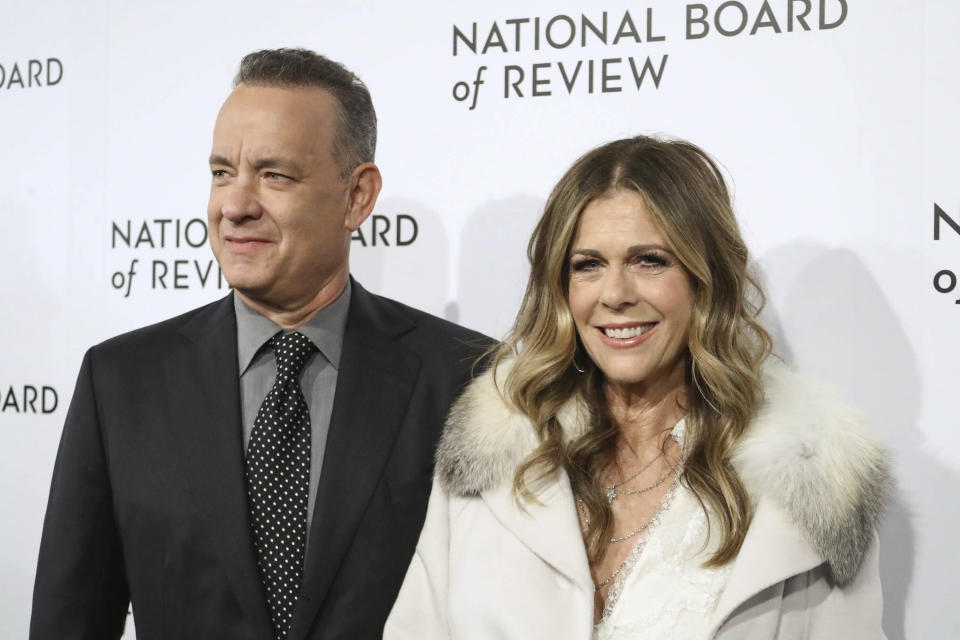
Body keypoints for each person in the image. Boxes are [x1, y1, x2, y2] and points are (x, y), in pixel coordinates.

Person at [30, 48, 486, 640]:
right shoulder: (120, 382)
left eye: (274, 175)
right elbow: (69, 620)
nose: (236, 206)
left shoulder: (468, 379)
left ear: (358, 197)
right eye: (222, 172)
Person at [384, 136, 890, 639]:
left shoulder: (810, 481)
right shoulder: (494, 455)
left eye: (649, 260)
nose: (616, 294)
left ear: (705, 276)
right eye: (588, 265)